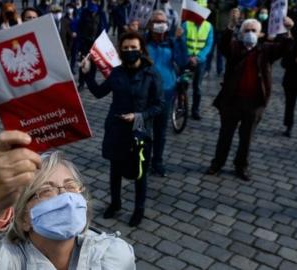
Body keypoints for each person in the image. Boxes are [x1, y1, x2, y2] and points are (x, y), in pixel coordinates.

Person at [0, 132, 136, 269]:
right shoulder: (10, 263)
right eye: (45, 190)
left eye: (70, 186)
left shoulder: (117, 256)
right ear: (24, 218)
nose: (65, 196)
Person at [81, 32, 165, 226]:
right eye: (125, 48)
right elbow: (99, 92)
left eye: (133, 48)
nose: (129, 51)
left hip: (139, 128)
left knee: (140, 172)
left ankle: (139, 209)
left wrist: (139, 116)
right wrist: (87, 73)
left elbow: (159, 105)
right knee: (115, 169)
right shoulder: (117, 72)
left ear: (141, 50)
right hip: (116, 128)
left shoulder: (152, 74)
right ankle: (115, 203)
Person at [207, 9, 294, 181]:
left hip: (254, 103)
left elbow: (286, 48)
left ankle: (241, 166)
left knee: (246, 138)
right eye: (247, 30)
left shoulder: (266, 50)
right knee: (225, 135)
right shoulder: (235, 48)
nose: (250, 34)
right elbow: (224, 45)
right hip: (232, 101)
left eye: (254, 30)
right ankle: (217, 163)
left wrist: (288, 30)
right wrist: (231, 25)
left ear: (260, 33)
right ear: (241, 33)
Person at [146, 10, 187, 177]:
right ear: (149, 24)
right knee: (144, 131)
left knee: (160, 132)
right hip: (145, 94)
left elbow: (183, 62)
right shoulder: (143, 42)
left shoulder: (171, 42)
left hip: (166, 93)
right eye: (156, 21)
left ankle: (158, 162)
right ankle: (144, 160)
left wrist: (180, 40)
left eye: (162, 21)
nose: (159, 23)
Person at [182, 15, 214, 120]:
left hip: (200, 62)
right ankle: (181, 107)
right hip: (187, 61)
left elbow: (209, 45)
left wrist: (198, 58)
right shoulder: (186, 24)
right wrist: (188, 57)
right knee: (184, 84)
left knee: (197, 87)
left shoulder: (209, 26)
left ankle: (195, 110)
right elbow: (182, 42)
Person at [76, 0, 108, 90]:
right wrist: (81, 40)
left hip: (96, 43)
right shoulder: (84, 12)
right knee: (83, 62)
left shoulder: (101, 13)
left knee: (94, 64)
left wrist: (102, 38)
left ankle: (91, 82)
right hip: (85, 42)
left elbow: (106, 26)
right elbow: (80, 27)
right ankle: (81, 83)